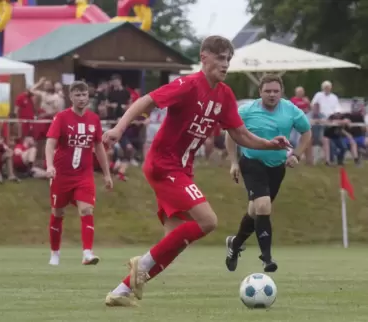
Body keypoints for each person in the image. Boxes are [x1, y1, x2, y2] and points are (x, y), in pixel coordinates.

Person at [102, 36, 291, 307]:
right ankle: (140, 264)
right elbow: (146, 100)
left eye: (228, 59)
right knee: (208, 221)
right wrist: (119, 129)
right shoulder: (188, 84)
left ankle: (120, 291)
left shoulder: (224, 94)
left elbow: (239, 134)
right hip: (163, 164)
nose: (225, 64)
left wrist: (269, 145)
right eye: (220, 58)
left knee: (176, 240)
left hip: (181, 170)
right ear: (204, 58)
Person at [224, 74, 312, 273]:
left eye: (276, 91)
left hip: (277, 166)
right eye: (268, 91)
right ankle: (267, 258)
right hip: (252, 163)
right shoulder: (247, 110)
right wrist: (233, 163)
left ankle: (235, 243)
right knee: (263, 206)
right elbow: (231, 133)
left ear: (281, 92)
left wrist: (296, 154)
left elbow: (307, 132)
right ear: (260, 92)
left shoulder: (291, 110)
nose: (272, 95)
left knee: (255, 211)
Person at [45, 81, 113, 266]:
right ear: (70, 97)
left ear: (88, 96)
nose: (81, 98)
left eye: (84, 95)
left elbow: (99, 147)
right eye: (77, 95)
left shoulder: (94, 119)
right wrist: (50, 166)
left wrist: (107, 174)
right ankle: (55, 253)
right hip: (62, 174)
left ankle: (87, 253)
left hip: (84, 175)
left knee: (86, 209)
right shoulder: (61, 118)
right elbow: (50, 143)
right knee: (58, 213)